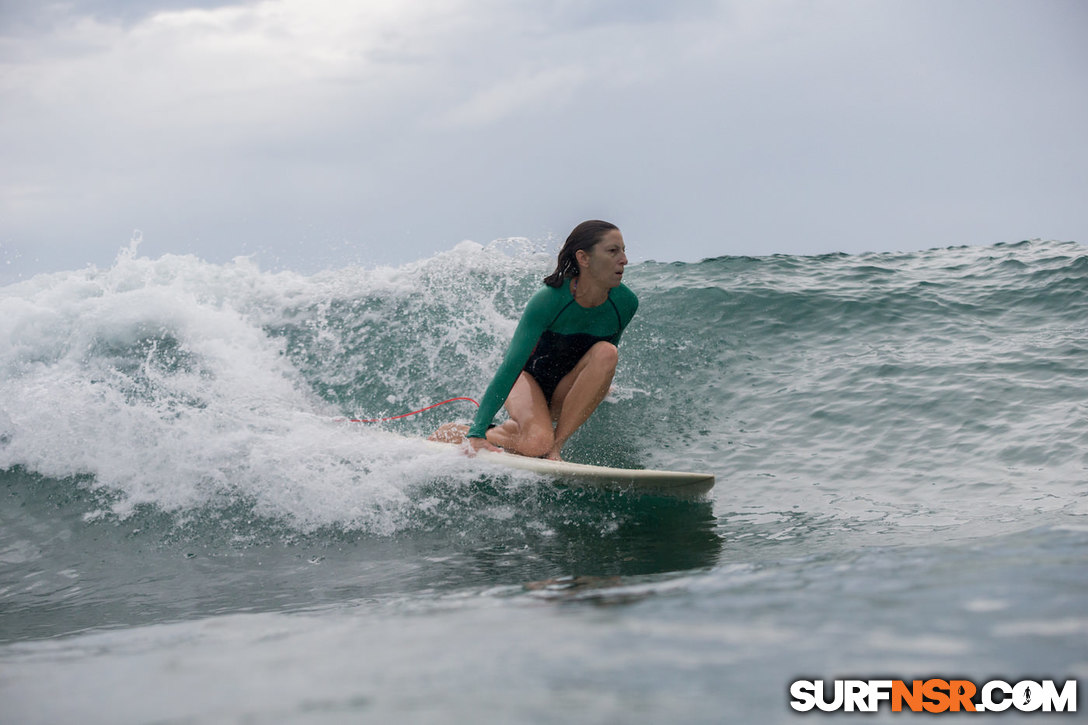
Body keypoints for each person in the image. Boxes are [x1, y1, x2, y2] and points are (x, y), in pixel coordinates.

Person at [431, 220, 637, 460]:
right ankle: (461, 432)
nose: (624, 259)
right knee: (536, 443)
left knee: (607, 352)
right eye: (613, 251)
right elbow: (511, 366)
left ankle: (555, 448)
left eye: (624, 251)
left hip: (563, 389)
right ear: (584, 258)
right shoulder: (549, 300)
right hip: (527, 380)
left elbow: (604, 359)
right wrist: (477, 432)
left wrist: (599, 389)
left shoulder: (625, 304)